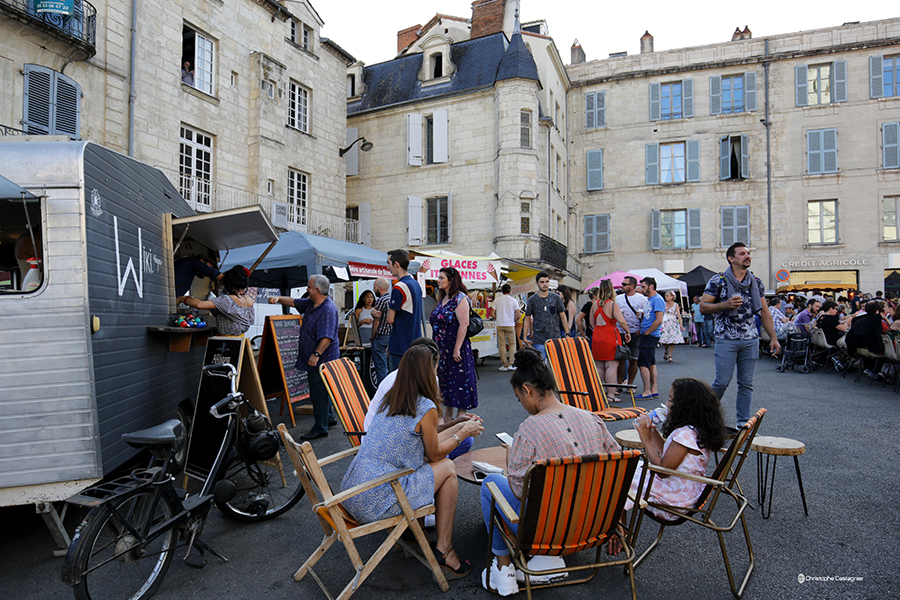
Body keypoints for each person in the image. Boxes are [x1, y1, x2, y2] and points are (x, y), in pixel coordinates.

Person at [479, 348, 620, 595]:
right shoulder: (591, 418)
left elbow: (520, 490)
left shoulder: (530, 429)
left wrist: (511, 457)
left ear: (527, 390)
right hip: (595, 525)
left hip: (548, 531)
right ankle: (541, 562)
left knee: (491, 483)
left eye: (518, 397)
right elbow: (617, 468)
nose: (521, 403)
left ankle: (503, 569)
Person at [340, 345, 484, 579]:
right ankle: (444, 548)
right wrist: (463, 432)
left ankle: (411, 530)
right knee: (447, 467)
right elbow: (435, 455)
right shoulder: (425, 406)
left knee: (434, 467)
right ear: (429, 372)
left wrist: (457, 425)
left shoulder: (393, 398)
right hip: (378, 500)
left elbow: (426, 441)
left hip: (354, 492)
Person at [611, 378, 726, 554]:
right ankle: (619, 531)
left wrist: (645, 439)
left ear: (685, 406)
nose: (667, 403)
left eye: (672, 399)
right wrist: (652, 431)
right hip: (685, 488)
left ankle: (620, 533)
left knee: (619, 479)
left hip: (675, 497)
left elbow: (663, 470)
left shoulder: (685, 434)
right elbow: (669, 453)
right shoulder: (693, 430)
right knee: (625, 470)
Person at [363, 337, 481, 461]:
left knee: (461, 442)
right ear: (426, 366)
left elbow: (429, 427)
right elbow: (432, 450)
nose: (436, 373)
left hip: (397, 443)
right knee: (444, 460)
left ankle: (439, 470)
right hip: (388, 449)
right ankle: (438, 471)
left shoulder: (413, 383)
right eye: (435, 366)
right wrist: (461, 430)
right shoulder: (398, 387)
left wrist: (456, 423)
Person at [701, 242, 780, 427]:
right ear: (731, 258)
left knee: (746, 384)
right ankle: (704, 415)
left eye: (748, 253)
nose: (747, 256)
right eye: (742, 253)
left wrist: (774, 338)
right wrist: (725, 305)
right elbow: (703, 307)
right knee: (721, 382)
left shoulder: (756, 282)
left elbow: (765, 312)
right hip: (726, 338)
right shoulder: (718, 280)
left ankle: (742, 423)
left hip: (750, 338)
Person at [268, 274, 339, 440]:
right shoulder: (313, 303)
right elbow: (293, 302)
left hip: (322, 359)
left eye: (308, 287)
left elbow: (326, 337)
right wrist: (278, 298)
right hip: (318, 358)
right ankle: (328, 418)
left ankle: (320, 428)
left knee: (318, 393)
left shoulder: (327, 309)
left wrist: (316, 355)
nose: (306, 290)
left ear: (317, 290)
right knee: (324, 391)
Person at [429, 267, 478, 420]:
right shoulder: (443, 299)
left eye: (442, 278)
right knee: (446, 386)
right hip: (441, 349)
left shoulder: (460, 298)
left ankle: (460, 422)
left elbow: (464, 324)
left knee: (459, 383)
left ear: (451, 280)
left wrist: (457, 348)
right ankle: (448, 420)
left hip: (455, 348)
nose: (438, 280)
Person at [177, 265, 253, 336]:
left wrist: (182, 299)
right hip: (241, 339)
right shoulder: (249, 300)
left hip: (227, 340)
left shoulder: (226, 299)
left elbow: (199, 305)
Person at [589, 279, 631, 402]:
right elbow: (621, 320)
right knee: (612, 366)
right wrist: (627, 332)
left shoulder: (594, 304)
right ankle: (611, 395)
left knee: (599, 366)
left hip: (598, 334)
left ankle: (599, 393)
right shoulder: (612, 304)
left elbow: (591, 323)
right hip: (610, 334)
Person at [387, 249, 423, 371]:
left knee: (396, 385)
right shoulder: (415, 284)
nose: (388, 267)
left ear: (396, 264)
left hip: (400, 345)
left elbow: (390, 319)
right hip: (415, 343)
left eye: (388, 263)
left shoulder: (399, 287)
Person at [523, 271, 567, 361]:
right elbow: (527, 318)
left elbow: (563, 315)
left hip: (555, 337)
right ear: (537, 283)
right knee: (540, 367)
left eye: (547, 282)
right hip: (539, 339)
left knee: (555, 367)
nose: (545, 284)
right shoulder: (532, 300)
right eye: (542, 282)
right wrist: (524, 337)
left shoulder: (556, 298)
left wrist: (567, 333)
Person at [635, 277, 665, 399]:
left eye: (643, 287)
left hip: (650, 335)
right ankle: (653, 389)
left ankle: (647, 391)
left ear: (651, 286)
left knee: (643, 363)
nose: (642, 289)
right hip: (649, 334)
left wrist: (647, 332)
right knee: (650, 362)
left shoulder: (657, 299)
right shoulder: (651, 299)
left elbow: (659, 319)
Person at [616, 276, 648, 385]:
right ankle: (619, 383)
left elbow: (647, 316)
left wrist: (640, 330)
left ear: (632, 286)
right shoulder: (618, 298)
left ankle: (630, 383)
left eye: (624, 284)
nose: (622, 286)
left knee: (634, 359)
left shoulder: (642, 299)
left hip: (635, 332)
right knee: (620, 359)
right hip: (620, 332)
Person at [845, 300, 885, 379]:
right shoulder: (875, 319)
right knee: (888, 351)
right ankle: (876, 370)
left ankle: (870, 368)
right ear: (877, 311)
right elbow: (879, 334)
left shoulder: (859, 319)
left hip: (858, 347)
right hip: (870, 348)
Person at [369, 278, 393, 387]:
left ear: (380, 288)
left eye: (374, 288)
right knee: (390, 366)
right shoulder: (393, 298)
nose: (374, 290)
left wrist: (372, 336)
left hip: (381, 336)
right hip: (392, 337)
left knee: (381, 367)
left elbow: (376, 322)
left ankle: (382, 394)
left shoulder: (381, 301)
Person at [494, 284, 521, 371]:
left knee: (502, 345)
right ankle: (511, 364)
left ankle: (504, 365)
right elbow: (518, 315)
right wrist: (513, 319)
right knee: (512, 344)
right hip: (510, 325)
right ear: (510, 290)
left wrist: (498, 318)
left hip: (500, 324)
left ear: (502, 291)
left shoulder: (497, 300)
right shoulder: (514, 300)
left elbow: (492, 314)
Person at [659, 291, 684, 363]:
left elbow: (678, 314)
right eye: (665, 296)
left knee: (672, 339)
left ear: (672, 297)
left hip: (673, 322)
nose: (666, 297)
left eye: (667, 296)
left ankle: (670, 355)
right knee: (665, 339)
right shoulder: (664, 304)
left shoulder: (675, 305)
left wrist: (680, 323)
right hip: (665, 322)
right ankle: (666, 351)